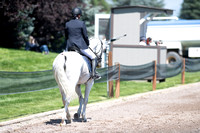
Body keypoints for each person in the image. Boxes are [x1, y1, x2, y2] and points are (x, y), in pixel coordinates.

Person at [65, 7, 101, 80]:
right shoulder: (81, 23)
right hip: (80, 46)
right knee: (93, 57)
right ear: (79, 15)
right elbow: (85, 36)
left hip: (69, 47)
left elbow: (66, 36)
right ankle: (93, 74)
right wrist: (87, 44)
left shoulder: (67, 24)